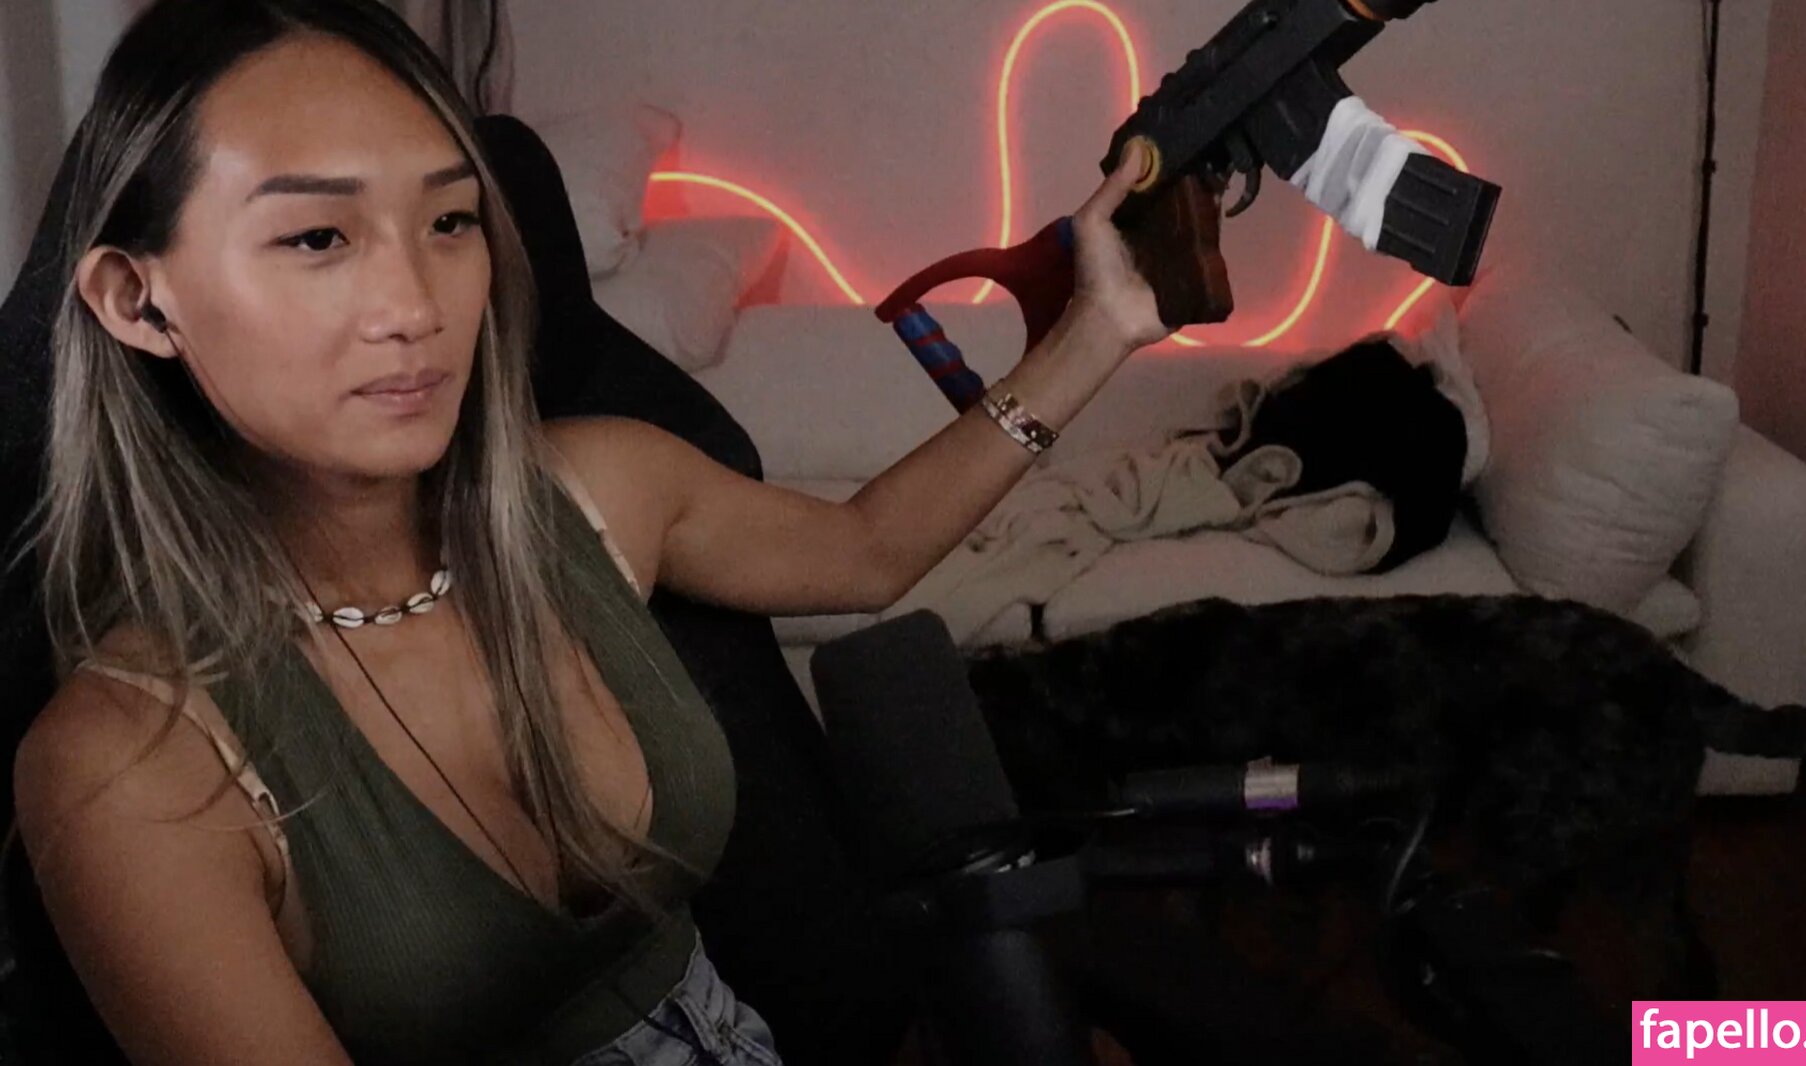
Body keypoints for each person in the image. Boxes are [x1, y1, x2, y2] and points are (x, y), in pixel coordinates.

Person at [4, 1, 1171, 1064]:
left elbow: (864, 549)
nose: (416, 305)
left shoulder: (595, 492)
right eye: (318, 238)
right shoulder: (128, 764)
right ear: (135, 299)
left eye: (450, 220)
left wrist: (1098, 331)